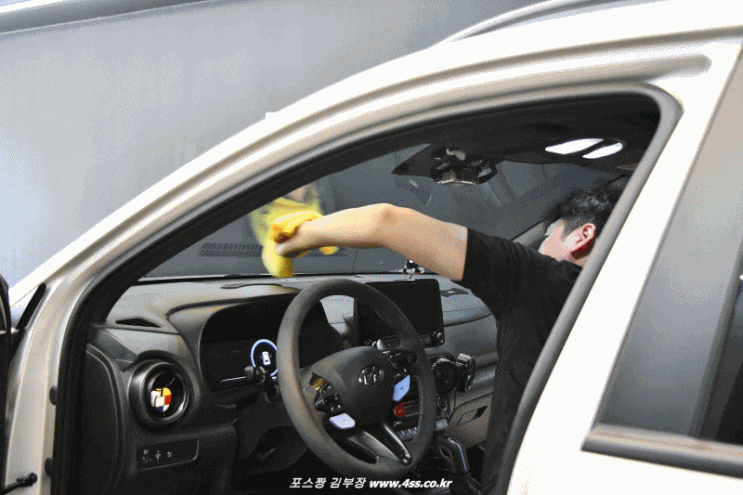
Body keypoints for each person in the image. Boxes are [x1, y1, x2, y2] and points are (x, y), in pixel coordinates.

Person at [273, 182, 621, 492]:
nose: (540, 248)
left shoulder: (543, 280)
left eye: (547, 237)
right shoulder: (627, 302)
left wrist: (294, 239)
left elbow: (385, 221)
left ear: (582, 236)